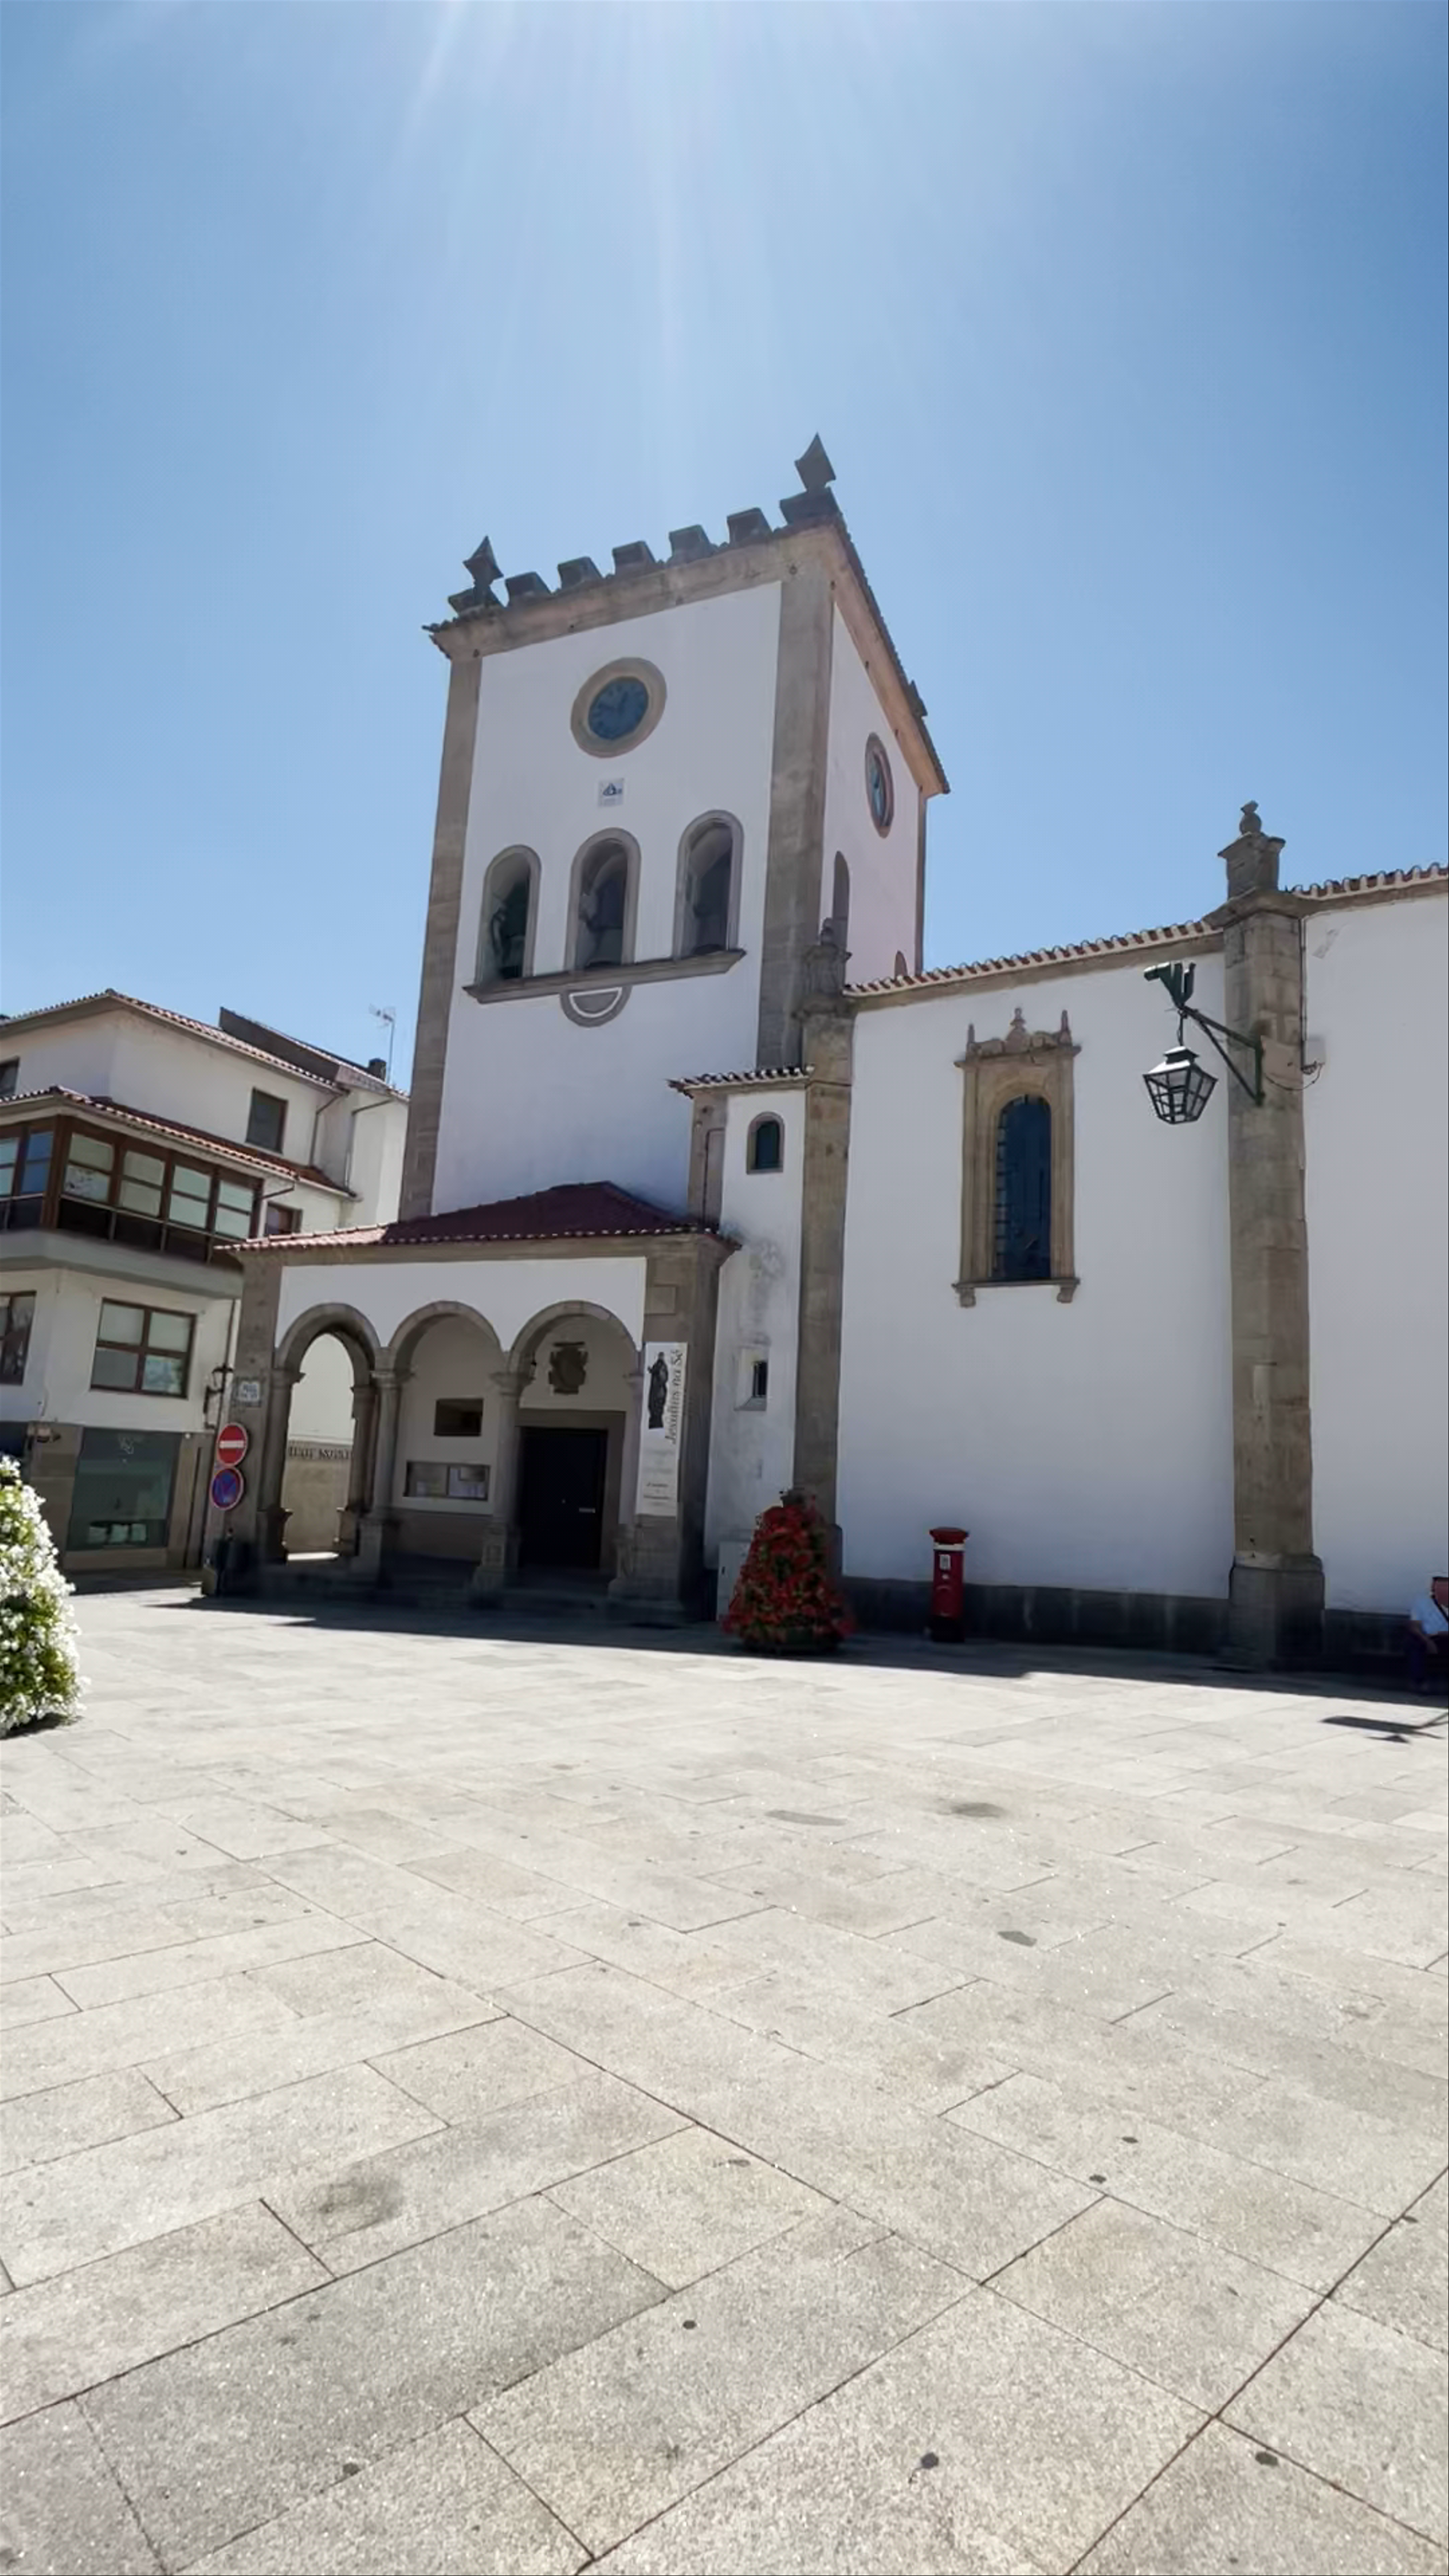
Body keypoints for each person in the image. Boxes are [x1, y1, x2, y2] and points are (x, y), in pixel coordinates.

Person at [1406, 1575, 1449, 1693]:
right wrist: (1428, 1641)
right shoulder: (1422, 1603)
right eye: (1439, 1589)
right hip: (1430, 1638)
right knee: (1416, 1647)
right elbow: (1415, 1626)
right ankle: (1420, 1684)